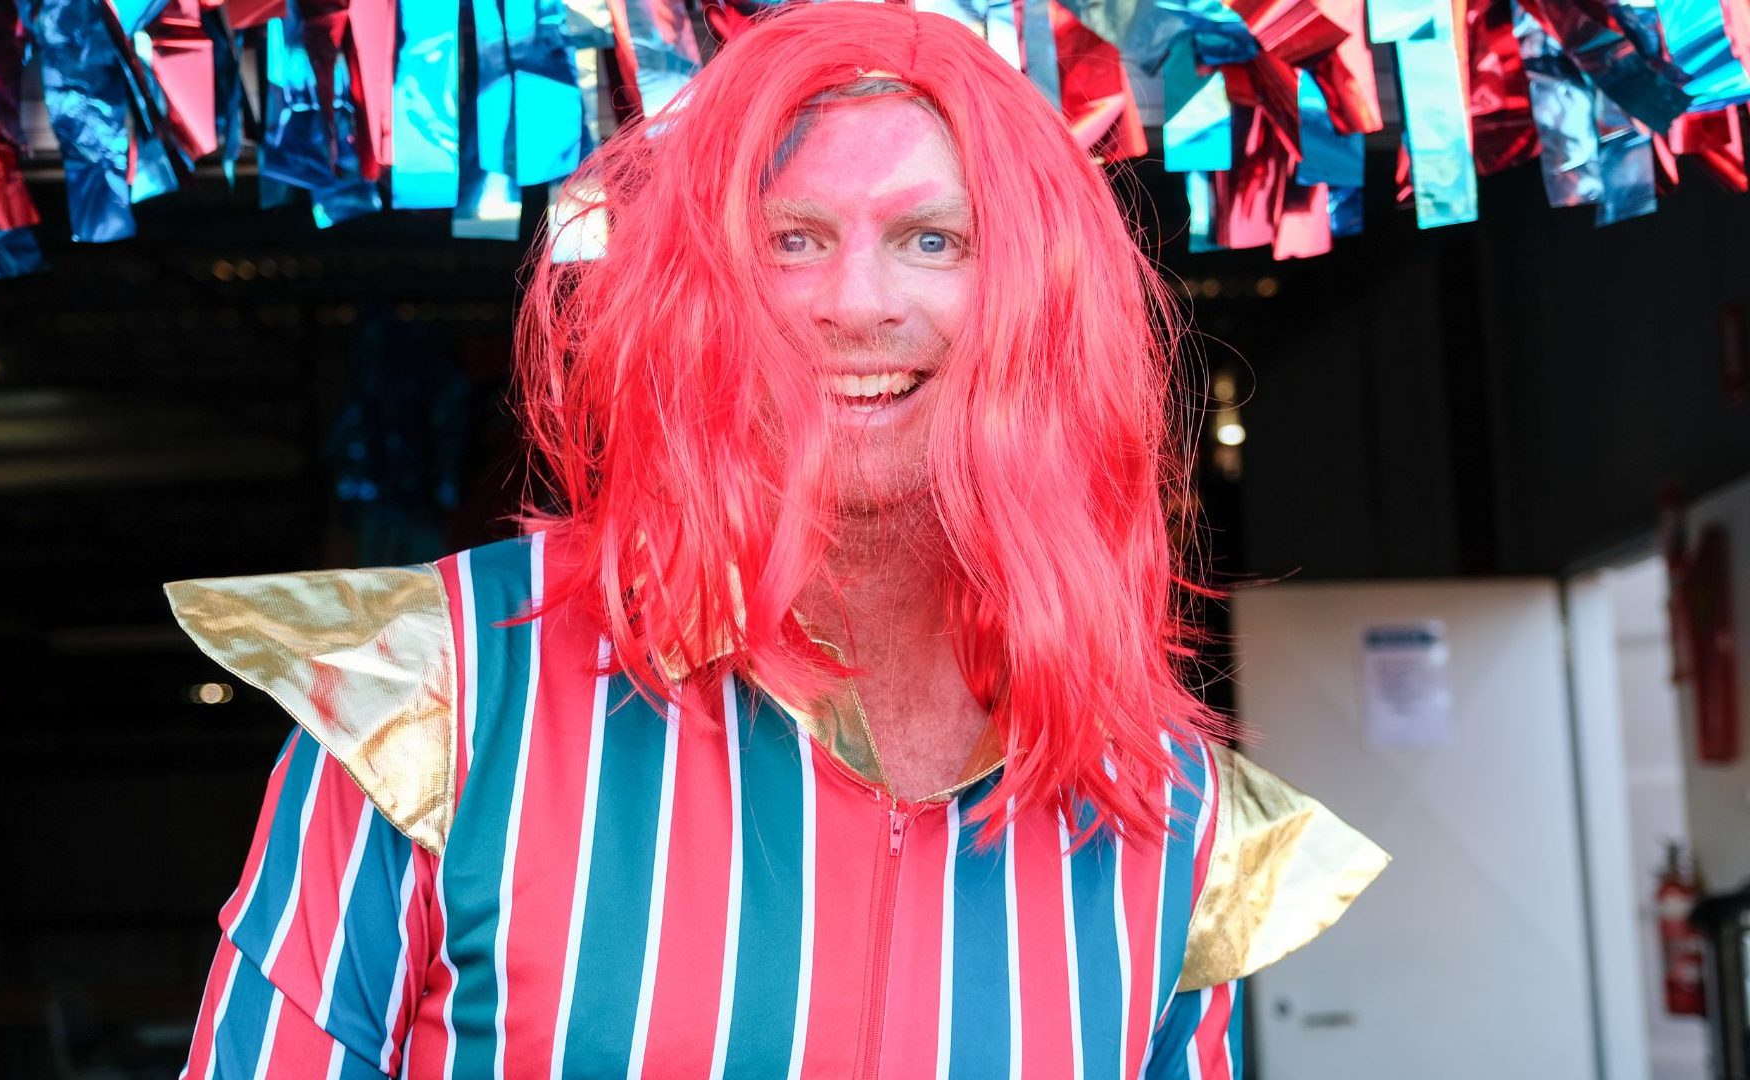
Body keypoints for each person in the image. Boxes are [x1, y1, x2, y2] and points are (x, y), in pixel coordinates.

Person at [167, 3, 1388, 1076]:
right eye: (792, 239)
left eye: (933, 239)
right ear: (697, 290)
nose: (858, 304)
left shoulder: (1162, 804)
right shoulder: (441, 687)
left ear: (1038, 304)